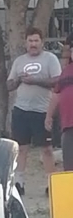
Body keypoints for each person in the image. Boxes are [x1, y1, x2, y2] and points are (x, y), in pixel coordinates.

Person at [7, 26, 61, 196]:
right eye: (30, 41)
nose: (33, 44)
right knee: (21, 148)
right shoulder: (19, 61)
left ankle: (51, 184)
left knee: (46, 149)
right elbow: (9, 85)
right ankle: (19, 183)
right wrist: (18, 80)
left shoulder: (50, 59)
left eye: (36, 41)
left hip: (42, 111)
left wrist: (34, 80)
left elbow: (57, 81)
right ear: (26, 42)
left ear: (42, 42)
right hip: (21, 110)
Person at [45, 39, 73, 171]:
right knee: (69, 165)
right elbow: (56, 94)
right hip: (67, 126)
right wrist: (49, 115)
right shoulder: (66, 71)